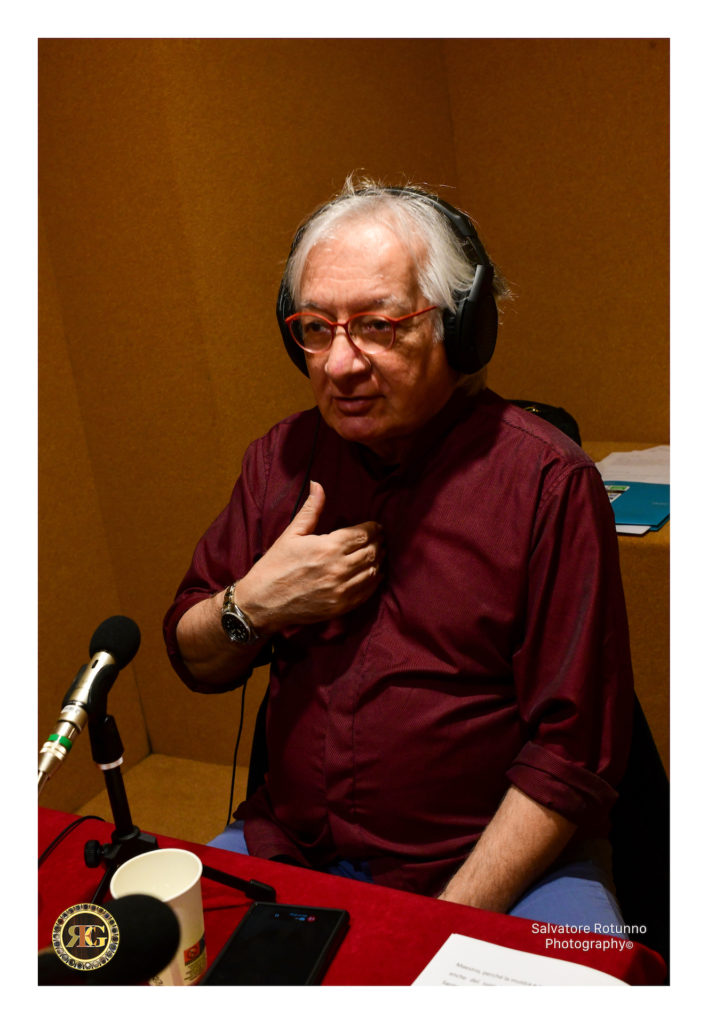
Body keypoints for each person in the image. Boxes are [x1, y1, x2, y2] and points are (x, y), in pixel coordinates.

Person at [163, 176, 634, 927]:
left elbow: (570, 757)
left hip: (492, 869)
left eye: (378, 326)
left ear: (462, 328)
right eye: (317, 328)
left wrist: (442, 926)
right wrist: (253, 604)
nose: (339, 365)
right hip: (290, 846)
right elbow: (193, 657)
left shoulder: (548, 484)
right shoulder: (279, 461)